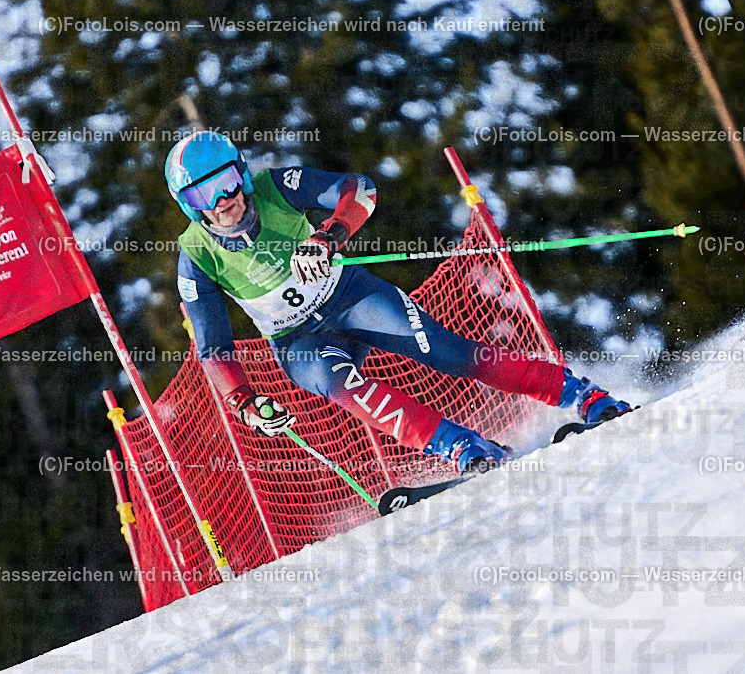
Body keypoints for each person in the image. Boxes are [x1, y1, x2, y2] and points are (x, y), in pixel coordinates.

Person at [165, 131, 630, 474]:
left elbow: (360, 188)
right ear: (189, 204)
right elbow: (214, 350)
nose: (223, 199)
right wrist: (245, 402)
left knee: (447, 353)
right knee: (343, 385)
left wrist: (330, 235)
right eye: (204, 193)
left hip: (349, 296)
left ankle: (580, 394)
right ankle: (458, 446)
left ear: (241, 173)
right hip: (296, 339)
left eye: (226, 182)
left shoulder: (276, 188)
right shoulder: (196, 256)